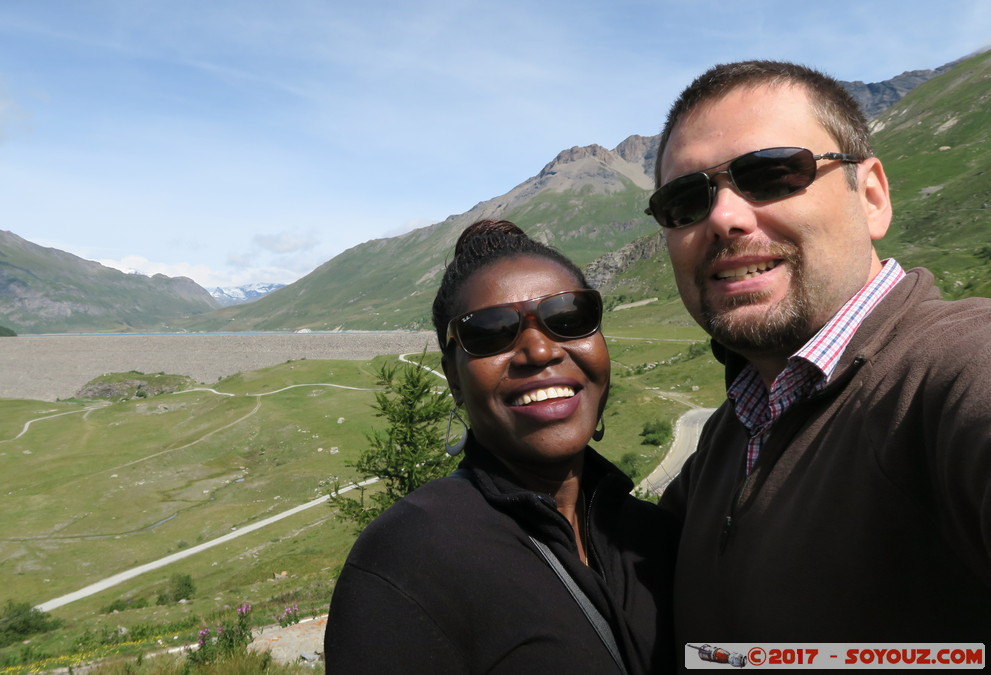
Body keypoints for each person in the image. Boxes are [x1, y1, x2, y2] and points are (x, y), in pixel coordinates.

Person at [650, 60, 991, 643]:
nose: (724, 217)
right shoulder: (733, 429)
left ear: (873, 197)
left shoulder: (955, 368)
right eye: (686, 201)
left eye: (773, 174)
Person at [324, 220, 677, 673]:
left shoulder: (657, 537)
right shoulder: (407, 561)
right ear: (453, 377)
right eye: (490, 333)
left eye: (570, 318)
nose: (540, 351)